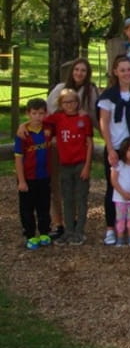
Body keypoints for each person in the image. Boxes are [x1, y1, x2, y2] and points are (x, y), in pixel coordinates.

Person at [45, 57, 100, 239]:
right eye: (77, 69)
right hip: (59, 143)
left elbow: (96, 117)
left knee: (78, 190)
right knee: (58, 186)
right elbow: (48, 115)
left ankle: (77, 227)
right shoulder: (59, 89)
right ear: (72, 71)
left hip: (80, 145)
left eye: (83, 70)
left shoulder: (90, 91)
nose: (79, 73)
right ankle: (59, 223)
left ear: (88, 73)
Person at [98, 55, 130, 246]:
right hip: (117, 147)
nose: (126, 73)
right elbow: (104, 121)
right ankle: (112, 227)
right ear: (115, 72)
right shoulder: (108, 96)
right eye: (122, 70)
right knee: (114, 187)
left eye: (129, 69)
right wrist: (110, 148)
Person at [44, 89, 93, 246]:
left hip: (80, 163)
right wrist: (24, 126)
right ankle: (69, 230)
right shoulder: (57, 118)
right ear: (61, 104)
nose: (70, 105)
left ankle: (79, 231)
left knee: (81, 198)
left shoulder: (83, 118)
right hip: (65, 164)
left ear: (78, 103)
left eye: (73, 101)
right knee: (68, 198)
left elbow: (90, 143)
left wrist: (87, 166)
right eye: (66, 102)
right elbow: (40, 121)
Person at [15, 98, 53, 250]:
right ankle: (30, 234)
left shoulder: (48, 129)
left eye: (41, 113)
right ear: (28, 113)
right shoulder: (23, 134)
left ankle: (44, 232)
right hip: (28, 177)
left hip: (44, 176)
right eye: (34, 113)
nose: (38, 116)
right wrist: (21, 181)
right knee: (27, 208)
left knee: (44, 205)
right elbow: (18, 159)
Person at [110, 138, 130, 247]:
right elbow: (114, 181)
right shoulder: (118, 165)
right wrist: (123, 193)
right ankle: (120, 237)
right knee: (120, 218)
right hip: (120, 198)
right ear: (124, 151)